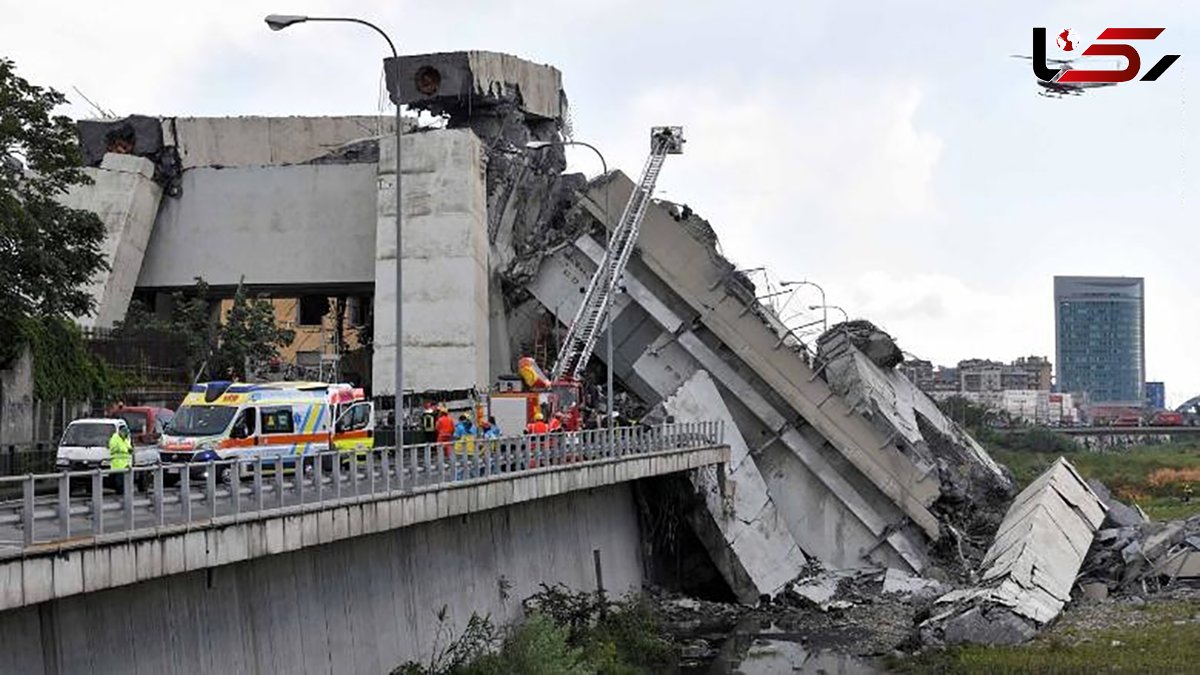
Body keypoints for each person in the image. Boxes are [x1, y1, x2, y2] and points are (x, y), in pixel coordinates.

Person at [108, 425, 133, 493]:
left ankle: (124, 492)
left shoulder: (125, 439)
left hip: (126, 463)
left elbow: (128, 446)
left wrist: (130, 449)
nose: (125, 433)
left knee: (125, 481)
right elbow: (113, 448)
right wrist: (125, 450)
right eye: (124, 432)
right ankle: (119, 491)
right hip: (118, 463)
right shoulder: (115, 438)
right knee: (119, 481)